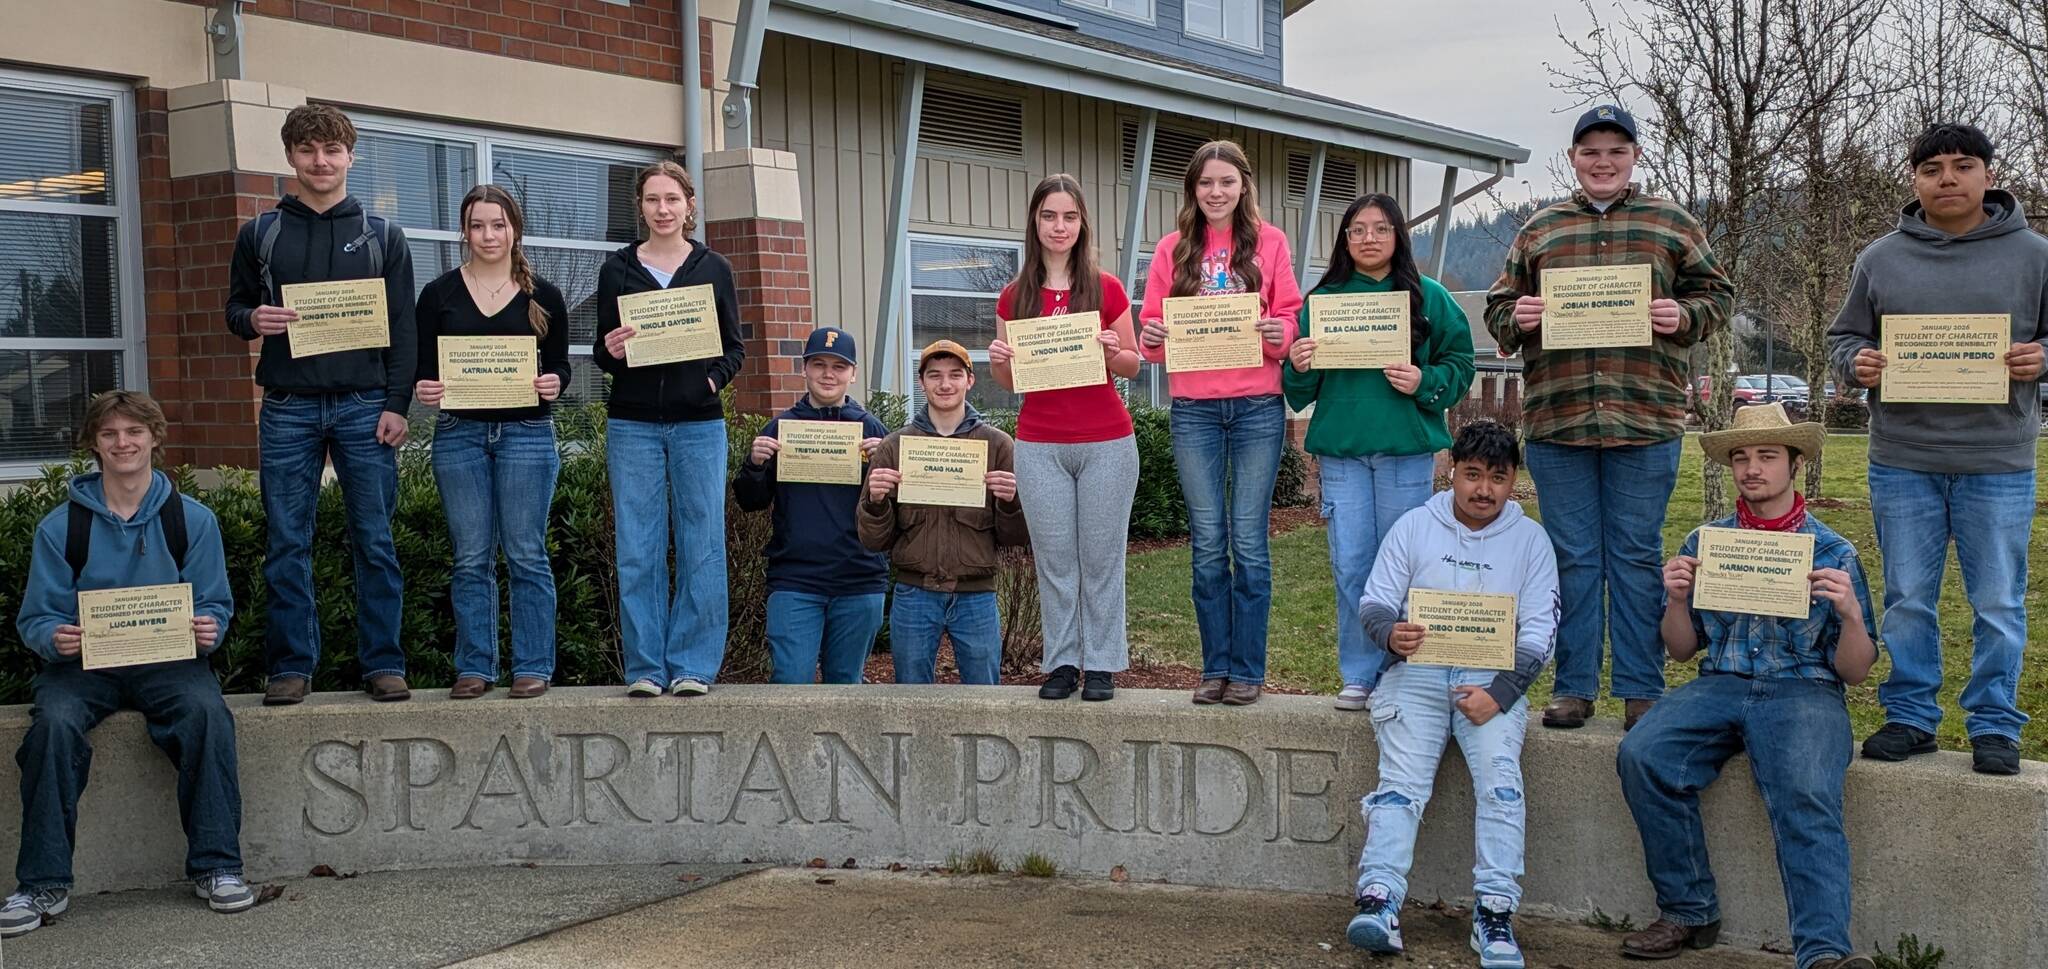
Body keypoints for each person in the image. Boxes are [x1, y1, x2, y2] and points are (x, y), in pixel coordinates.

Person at [1482, 104, 1734, 731]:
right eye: (1590, 151)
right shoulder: (1540, 229)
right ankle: (1573, 686)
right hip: (1559, 420)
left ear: (1635, 156)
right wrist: (1519, 317)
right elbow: (1498, 307)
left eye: (1616, 151)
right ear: (1573, 158)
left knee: (1636, 555)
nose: (1603, 162)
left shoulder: (1670, 222)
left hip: (1644, 419)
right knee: (1571, 558)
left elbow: (1718, 295)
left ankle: (1641, 686)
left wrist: (1684, 316)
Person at [1616, 403, 1877, 969]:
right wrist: (1677, 599)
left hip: (1804, 688)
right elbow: (1682, 649)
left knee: (1805, 791)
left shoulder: (1834, 552)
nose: (1752, 469)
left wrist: (1852, 615)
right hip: (1722, 682)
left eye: (1767, 456)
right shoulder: (1706, 541)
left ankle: (1824, 952)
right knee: (1643, 754)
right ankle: (1688, 909)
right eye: (1741, 458)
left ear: (1796, 464)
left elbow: (1856, 671)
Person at [1826, 122, 2047, 776]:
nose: (1947, 178)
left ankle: (1995, 724)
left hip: (1997, 462)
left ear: (1988, 174)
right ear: (1915, 180)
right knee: (1907, 598)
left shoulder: (2035, 255)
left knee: (1998, 603)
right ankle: (1911, 715)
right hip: (1903, 460)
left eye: (1962, 165)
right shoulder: (1880, 258)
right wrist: (1857, 362)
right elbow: (1844, 339)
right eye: (1931, 169)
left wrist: (2043, 357)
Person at [3, 392, 250, 938]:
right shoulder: (62, 526)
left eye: (134, 432)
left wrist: (209, 629)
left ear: (154, 439)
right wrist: (55, 638)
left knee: (207, 715)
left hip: (169, 661)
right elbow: (37, 617)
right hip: (84, 666)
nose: (123, 443)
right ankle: (42, 883)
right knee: (53, 727)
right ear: (94, 444)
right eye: (109, 434)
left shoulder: (192, 520)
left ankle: (218, 867)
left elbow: (214, 602)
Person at [1344, 420, 1558, 969]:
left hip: (1490, 681)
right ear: (1452, 471)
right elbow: (1374, 601)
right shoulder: (1416, 525)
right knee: (1400, 786)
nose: (1483, 489)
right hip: (1415, 674)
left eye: (1497, 478)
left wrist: (1502, 694)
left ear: (1513, 481)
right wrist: (1390, 633)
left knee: (1501, 786)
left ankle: (1494, 913)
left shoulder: (1531, 540)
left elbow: (1540, 631)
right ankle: (1379, 900)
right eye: (1472, 475)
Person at [225, 103, 417, 705]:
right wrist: (252, 319)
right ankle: (290, 666)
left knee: (375, 539)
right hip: (288, 405)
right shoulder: (260, 233)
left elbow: (403, 329)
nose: (320, 161)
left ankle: (383, 662)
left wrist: (398, 404)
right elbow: (234, 309)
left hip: (365, 404)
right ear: (290, 156)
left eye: (332, 150)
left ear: (350, 156)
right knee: (287, 541)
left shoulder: (383, 235)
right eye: (307, 150)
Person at [1285, 193, 1475, 712]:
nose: (1368, 238)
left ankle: (1404, 673)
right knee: (1351, 565)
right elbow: (1300, 391)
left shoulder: (1429, 297)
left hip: (1404, 453)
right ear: (1345, 240)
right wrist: (1297, 365)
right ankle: (1360, 673)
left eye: (1380, 228)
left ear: (1398, 237)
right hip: (1343, 455)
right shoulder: (1323, 302)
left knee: (1407, 568)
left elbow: (1461, 363)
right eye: (1358, 230)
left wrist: (1425, 380)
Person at [1136, 139, 1304, 707]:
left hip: (1257, 406)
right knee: (1208, 543)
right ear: (1193, 189)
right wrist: (1151, 336)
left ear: (1243, 186)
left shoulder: (1270, 242)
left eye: (1226, 182)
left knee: (1249, 542)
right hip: (1195, 411)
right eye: (1205, 182)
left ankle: (1248, 670)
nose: (1216, 192)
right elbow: (1152, 333)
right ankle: (1215, 668)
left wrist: (1282, 332)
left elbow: (1289, 315)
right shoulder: (1172, 249)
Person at [592, 159, 746, 698]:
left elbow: (734, 348)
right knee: (638, 547)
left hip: (698, 426)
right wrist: (610, 351)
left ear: (689, 206)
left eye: (672, 199)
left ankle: (693, 666)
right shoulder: (616, 270)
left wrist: (710, 383)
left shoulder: (714, 267)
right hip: (631, 425)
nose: (663, 209)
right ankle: (646, 668)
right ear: (640, 206)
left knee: (703, 544)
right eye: (653, 199)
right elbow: (602, 352)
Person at [413, 185, 572, 700]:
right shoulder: (437, 294)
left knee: (526, 553)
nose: (488, 235)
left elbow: (561, 364)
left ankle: (533, 665)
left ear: (514, 230)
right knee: (470, 557)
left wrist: (556, 382)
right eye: (477, 225)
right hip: (459, 435)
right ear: (464, 231)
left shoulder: (544, 295)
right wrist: (424, 388)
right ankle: (475, 666)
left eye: (498, 225)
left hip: (527, 434)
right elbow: (423, 367)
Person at [987, 174, 1142, 701]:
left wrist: (1111, 350)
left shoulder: (1107, 288)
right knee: (1054, 561)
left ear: (1082, 223)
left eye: (1069, 217)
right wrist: (999, 361)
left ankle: (1101, 664)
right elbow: (1011, 381)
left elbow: (1133, 363)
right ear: (1035, 222)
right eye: (1049, 216)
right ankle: (1062, 662)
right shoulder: (1014, 296)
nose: (1060, 226)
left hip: (1107, 442)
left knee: (1102, 560)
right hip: (1040, 444)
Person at [860, 341, 1030, 688]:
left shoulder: (998, 445)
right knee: (912, 698)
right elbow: (873, 540)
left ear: (970, 381)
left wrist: (1011, 502)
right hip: (914, 593)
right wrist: (876, 503)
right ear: (922, 382)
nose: (945, 384)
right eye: (935, 375)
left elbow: (1016, 538)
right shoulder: (896, 446)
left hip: (976, 596)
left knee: (984, 698)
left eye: (955, 375)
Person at [733, 327, 891, 684]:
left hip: (859, 579)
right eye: (819, 364)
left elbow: (897, 511)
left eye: (839, 366)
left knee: (845, 683)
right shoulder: (781, 427)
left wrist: (883, 468)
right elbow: (750, 501)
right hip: (796, 580)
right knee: (791, 682)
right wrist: (755, 465)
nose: (828, 374)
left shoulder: (872, 431)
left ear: (853, 373)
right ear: (804, 368)